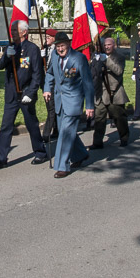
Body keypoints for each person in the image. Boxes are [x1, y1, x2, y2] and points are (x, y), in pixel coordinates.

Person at [0, 20, 47, 169]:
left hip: (26, 93)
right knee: (6, 126)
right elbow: (0, 66)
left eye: (14, 30)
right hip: (12, 94)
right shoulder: (10, 47)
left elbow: (37, 74)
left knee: (31, 124)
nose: (12, 32)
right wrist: (7, 55)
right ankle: (1, 157)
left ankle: (40, 152)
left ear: (24, 32)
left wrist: (31, 93)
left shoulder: (32, 49)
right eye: (11, 30)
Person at [43, 32, 94, 178]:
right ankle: (80, 155)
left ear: (68, 44)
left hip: (73, 102)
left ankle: (62, 166)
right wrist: (47, 89)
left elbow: (88, 83)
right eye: (57, 46)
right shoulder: (54, 55)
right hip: (59, 102)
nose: (60, 49)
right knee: (67, 131)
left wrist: (90, 105)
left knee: (65, 133)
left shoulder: (79, 59)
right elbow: (50, 73)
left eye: (62, 46)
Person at [89, 37, 130, 148]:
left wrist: (106, 60)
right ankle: (97, 142)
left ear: (114, 46)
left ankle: (124, 137)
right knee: (99, 119)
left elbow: (118, 70)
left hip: (114, 92)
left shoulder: (119, 57)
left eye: (109, 45)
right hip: (100, 93)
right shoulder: (98, 57)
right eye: (105, 45)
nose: (106, 47)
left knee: (119, 118)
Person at [40, 29, 59, 142]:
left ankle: (46, 134)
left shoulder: (58, 50)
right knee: (51, 108)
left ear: (54, 38)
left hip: (55, 83)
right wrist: (41, 56)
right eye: (46, 37)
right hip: (46, 84)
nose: (46, 39)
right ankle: (56, 130)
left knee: (51, 109)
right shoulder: (45, 49)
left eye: (49, 37)